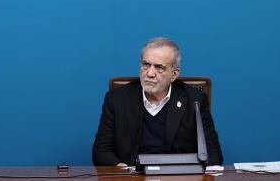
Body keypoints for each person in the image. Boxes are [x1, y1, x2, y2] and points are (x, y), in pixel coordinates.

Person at [92, 37, 223, 166]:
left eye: (159, 67)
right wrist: (121, 168)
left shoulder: (195, 100)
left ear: (174, 74)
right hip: (132, 173)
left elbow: (213, 154)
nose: (150, 73)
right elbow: (101, 152)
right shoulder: (117, 99)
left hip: (178, 174)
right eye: (146, 65)